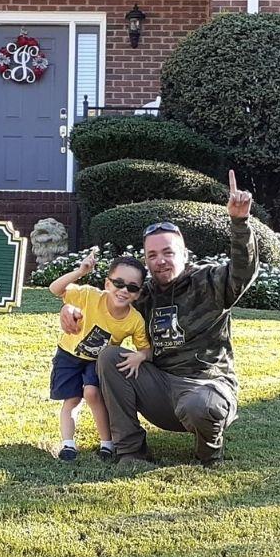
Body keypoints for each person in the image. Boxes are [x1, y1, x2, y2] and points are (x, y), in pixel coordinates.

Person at [61, 170, 258, 468]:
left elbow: (243, 272)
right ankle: (130, 452)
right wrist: (72, 310)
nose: (160, 260)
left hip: (206, 386)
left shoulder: (210, 282)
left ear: (183, 253)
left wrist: (239, 223)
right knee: (109, 357)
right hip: (160, 388)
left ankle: (208, 454)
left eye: (168, 252)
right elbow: (106, 307)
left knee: (198, 406)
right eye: (152, 255)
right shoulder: (143, 294)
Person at [48, 250, 151, 461]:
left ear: (138, 293)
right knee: (72, 399)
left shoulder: (135, 320)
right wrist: (81, 271)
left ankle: (107, 443)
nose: (123, 291)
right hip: (68, 355)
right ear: (107, 284)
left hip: (97, 361)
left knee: (93, 394)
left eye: (132, 288)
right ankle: (68, 443)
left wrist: (140, 356)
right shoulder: (90, 296)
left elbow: (145, 349)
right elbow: (55, 289)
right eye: (118, 283)